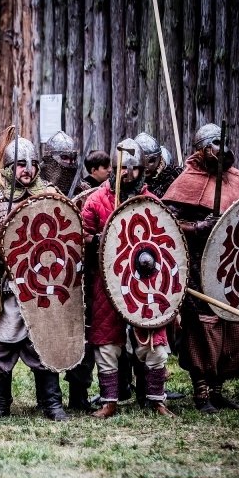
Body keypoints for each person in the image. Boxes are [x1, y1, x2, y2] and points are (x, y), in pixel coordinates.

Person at [0, 128, 70, 422]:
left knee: (43, 342)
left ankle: (51, 403)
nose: (28, 170)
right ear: (9, 167)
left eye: (32, 164)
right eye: (21, 165)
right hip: (5, 284)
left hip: (41, 284)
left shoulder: (49, 193)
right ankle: (1, 403)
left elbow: (68, 230)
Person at [162, 123, 239, 414]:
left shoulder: (238, 181)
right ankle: (201, 392)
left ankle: (218, 390)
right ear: (202, 149)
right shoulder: (188, 181)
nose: (220, 151)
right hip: (199, 269)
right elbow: (167, 222)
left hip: (232, 269)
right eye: (214, 144)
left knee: (232, 326)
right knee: (202, 328)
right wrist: (198, 227)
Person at [82, 138, 175, 418]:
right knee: (107, 343)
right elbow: (83, 235)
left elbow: (165, 242)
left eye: (133, 169)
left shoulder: (151, 202)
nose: (127, 174)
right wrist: (100, 240)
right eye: (121, 168)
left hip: (144, 284)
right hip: (107, 282)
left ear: (141, 170)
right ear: (113, 168)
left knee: (152, 342)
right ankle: (109, 401)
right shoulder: (97, 199)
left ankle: (157, 400)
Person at [135, 132, 183, 198]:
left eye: (151, 161)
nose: (146, 166)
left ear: (159, 158)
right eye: (142, 161)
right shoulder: (130, 181)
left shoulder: (171, 180)